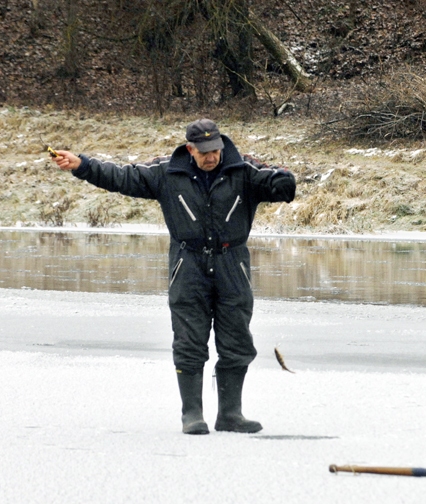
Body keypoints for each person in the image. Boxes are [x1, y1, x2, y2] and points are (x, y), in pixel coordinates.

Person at [52, 118, 296, 435]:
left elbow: (275, 178)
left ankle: (230, 414)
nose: (211, 157)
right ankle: (192, 414)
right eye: (204, 152)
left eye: (215, 150)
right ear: (190, 149)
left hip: (232, 265)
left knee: (237, 342)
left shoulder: (242, 169)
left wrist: (283, 183)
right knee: (189, 341)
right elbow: (122, 177)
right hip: (188, 265)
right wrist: (82, 165)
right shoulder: (166, 172)